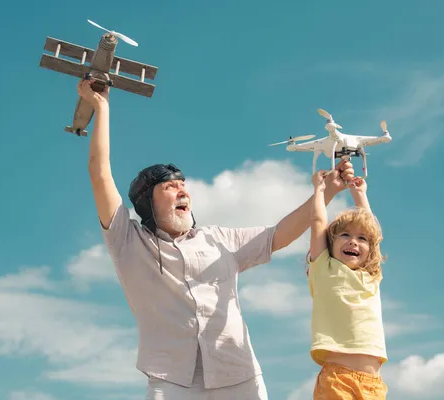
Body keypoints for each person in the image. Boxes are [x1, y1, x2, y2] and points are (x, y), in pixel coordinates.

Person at [78, 78, 355, 399]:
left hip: (238, 375)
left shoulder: (220, 239)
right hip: (171, 382)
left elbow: (278, 235)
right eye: (169, 186)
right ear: (147, 203)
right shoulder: (128, 243)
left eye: (184, 184)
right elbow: (99, 173)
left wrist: (327, 193)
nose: (182, 190)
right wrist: (102, 108)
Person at [308, 170, 388, 399]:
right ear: (330, 244)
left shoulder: (371, 275)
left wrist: (360, 194)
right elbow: (317, 223)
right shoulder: (324, 268)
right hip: (338, 380)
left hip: (373, 385)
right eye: (345, 235)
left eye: (361, 239)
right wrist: (320, 190)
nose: (353, 241)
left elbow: (373, 233)